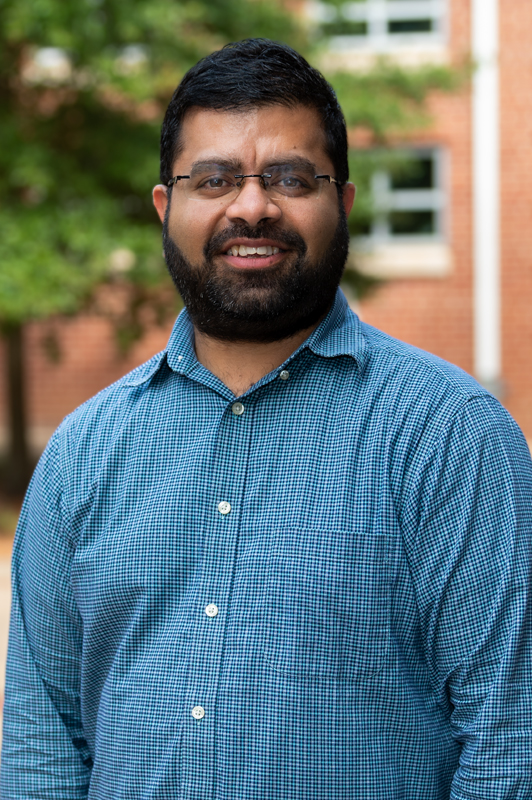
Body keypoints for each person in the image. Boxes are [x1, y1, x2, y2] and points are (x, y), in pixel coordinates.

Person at [2, 38, 532, 800]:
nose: (251, 205)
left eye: (289, 177)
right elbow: (40, 751)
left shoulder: (451, 437)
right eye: (214, 179)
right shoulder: (81, 453)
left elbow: (510, 745)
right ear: (166, 208)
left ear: (342, 203)